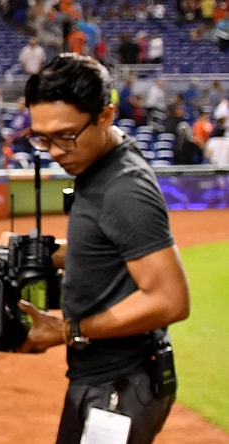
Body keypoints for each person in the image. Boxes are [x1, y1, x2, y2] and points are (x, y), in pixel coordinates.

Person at [18, 53, 190, 444]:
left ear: (105, 116)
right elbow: (110, 246)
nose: (55, 150)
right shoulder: (96, 166)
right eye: (41, 138)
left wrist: (67, 329)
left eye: (65, 135)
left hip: (120, 386)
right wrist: (45, 252)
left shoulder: (123, 187)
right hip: (105, 379)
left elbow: (170, 300)